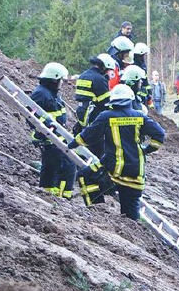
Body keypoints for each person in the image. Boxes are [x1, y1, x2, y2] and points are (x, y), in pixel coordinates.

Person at [68, 84, 165, 221]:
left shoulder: (106, 116)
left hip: (113, 170)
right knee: (130, 213)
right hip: (136, 172)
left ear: (113, 101)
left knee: (84, 175)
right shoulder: (139, 116)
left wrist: (72, 143)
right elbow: (160, 135)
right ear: (130, 100)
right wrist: (146, 150)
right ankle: (133, 233)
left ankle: (97, 214)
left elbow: (88, 135)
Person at [29, 63, 76, 199]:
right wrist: (48, 129)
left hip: (54, 136)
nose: (62, 82)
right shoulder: (41, 94)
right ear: (55, 79)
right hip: (48, 137)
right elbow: (33, 117)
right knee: (65, 166)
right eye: (61, 79)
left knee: (52, 167)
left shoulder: (50, 93)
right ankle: (60, 196)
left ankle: (48, 193)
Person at [74, 53, 114, 158]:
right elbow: (106, 102)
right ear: (103, 66)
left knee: (84, 135)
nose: (108, 72)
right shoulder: (100, 79)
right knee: (96, 142)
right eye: (108, 69)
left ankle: (81, 159)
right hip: (94, 113)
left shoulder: (83, 75)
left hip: (82, 111)